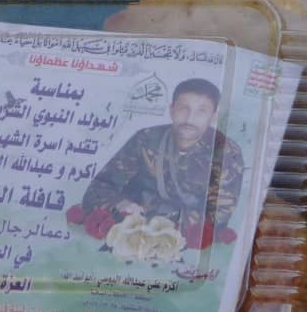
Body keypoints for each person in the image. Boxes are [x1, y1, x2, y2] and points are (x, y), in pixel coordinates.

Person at [82, 78, 244, 228]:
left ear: (213, 117)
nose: (190, 119)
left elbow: (218, 216)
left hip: (178, 232)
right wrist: (120, 204)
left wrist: (155, 218)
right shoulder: (145, 139)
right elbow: (98, 188)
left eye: (201, 111)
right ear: (171, 110)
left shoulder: (227, 154)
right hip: (131, 222)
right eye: (183, 109)